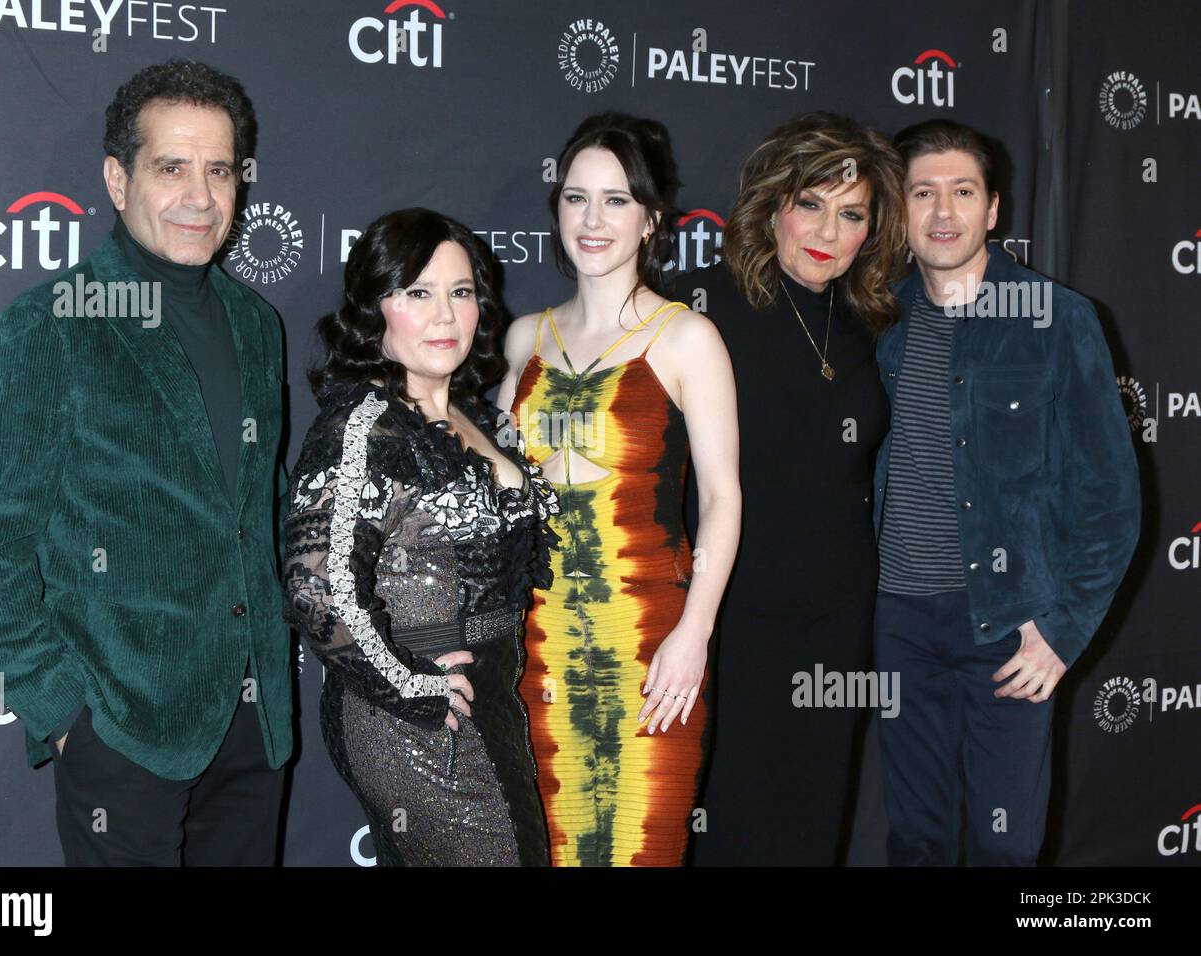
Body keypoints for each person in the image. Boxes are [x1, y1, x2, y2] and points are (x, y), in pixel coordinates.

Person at [0, 60, 293, 865]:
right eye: (171, 168)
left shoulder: (255, 322)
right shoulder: (51, 325)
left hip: (255, 724)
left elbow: (258, 505)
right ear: (116, 177)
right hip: (123, 731)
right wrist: (64, 712)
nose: (200, 198)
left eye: (219, 170)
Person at [874, 119, 1140, 865]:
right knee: (916, 840)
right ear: (901, 210)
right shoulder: (881, 321)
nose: (943, 212)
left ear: (994, 209)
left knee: (1004, 848)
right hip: (900, 621)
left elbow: (1112, 501)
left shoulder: (1058, 319)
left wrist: (1062, 629)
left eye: (963, 191)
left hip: (1008, 626)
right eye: (922, 193)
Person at [498, 112, 741, 867]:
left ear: (651, 220)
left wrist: (693, 635)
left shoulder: (686, 338)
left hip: (650, 649)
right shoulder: (522, 338)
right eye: (576, 198)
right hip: (534, 650)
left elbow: (724, 498)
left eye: (616, 200)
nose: (593, 219)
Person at [283, 207, 560, 866]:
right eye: (418, 293)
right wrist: (412, 686)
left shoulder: (475, 418)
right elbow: (314, 586)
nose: (445, 314)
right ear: (375, 308)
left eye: (460, 293)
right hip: (414, 725)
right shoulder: (366, 425)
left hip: (489, 707)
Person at [673, 112, 907, 865]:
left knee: (811, 823)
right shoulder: (694, 310)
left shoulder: (874, 321)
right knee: (717, 818)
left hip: (837, 619)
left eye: (851, 215)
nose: (828, 233)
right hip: (724, 617)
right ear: (773, 203)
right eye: (811, 204)